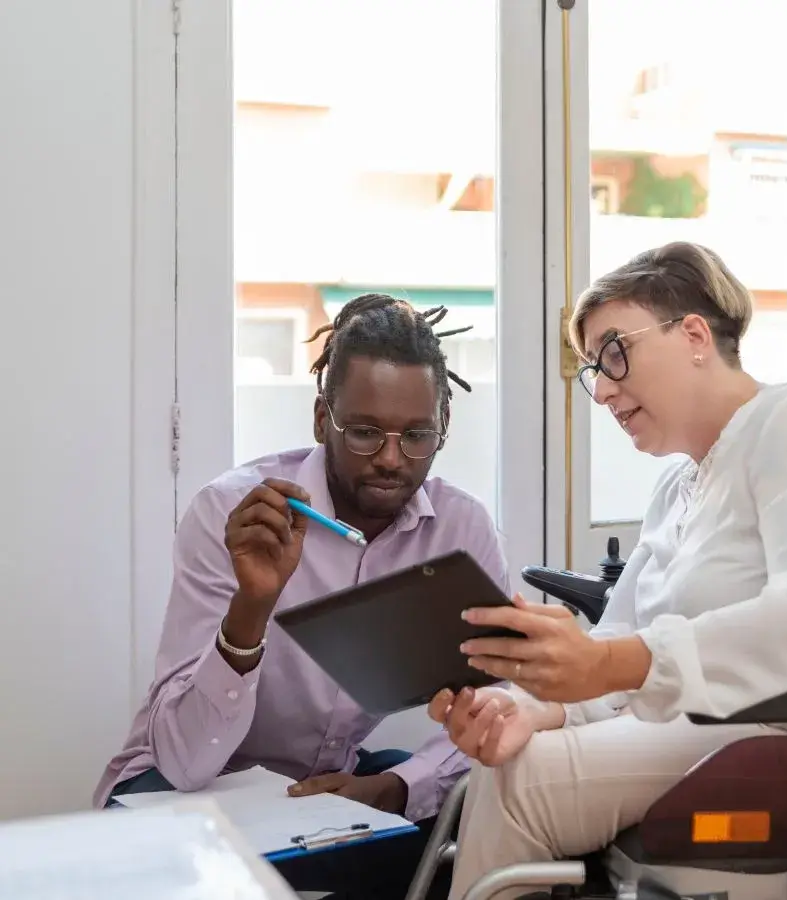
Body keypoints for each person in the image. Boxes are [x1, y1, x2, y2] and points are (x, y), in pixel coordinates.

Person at [426, 242, 787, 900]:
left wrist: (609, 668)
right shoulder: (677, 487)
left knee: (522, 786)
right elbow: (624, 635)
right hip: (754, 717)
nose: (601, 388)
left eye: (612, 352)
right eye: (591, 370)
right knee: (508, 759)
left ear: (692, 333)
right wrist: (532, 707)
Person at [96, 293, 504, 899]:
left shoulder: (459, 529)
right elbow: (184, 761)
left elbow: (499, 701)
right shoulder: (234, 514)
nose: (392, 460)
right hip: (181, 787)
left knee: (470, 831)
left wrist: (396, 786)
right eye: (365, 432)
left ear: (443, 429)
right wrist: (252, 607)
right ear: (322, 420)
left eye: (417, 435)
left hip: (317, 795)